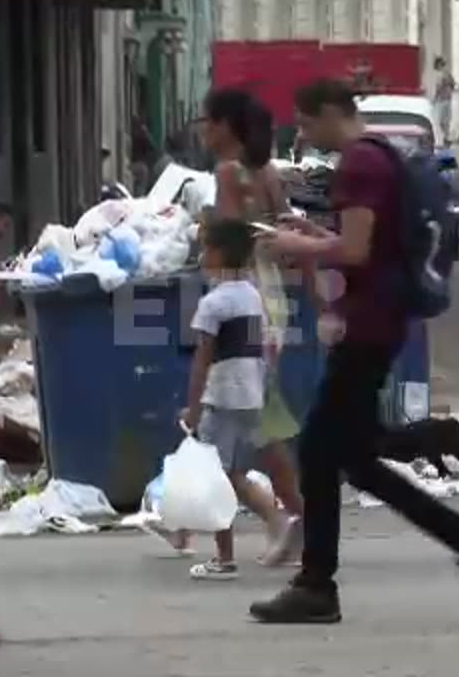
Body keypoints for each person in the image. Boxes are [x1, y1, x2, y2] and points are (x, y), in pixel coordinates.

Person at [249, 79, 459, 625]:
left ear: (328, 113)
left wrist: (302, 245)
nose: (302, 135)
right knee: (352, 459)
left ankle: (318, 585)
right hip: (379, 321)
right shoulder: (380, 159)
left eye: (304, 123)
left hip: (369, 325)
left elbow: (354, 249)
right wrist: (315, 228)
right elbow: (364, 240)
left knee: (321, 451)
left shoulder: (359, 165)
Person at [181, 87, 306, 567]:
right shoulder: (268, 172)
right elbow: (280, 228)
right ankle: (291, 516)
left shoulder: (228, 173)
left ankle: (290, 517)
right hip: (269, 298)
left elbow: (232, 238)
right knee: (262, 415)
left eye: (207, 121)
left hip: (239, 298)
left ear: (226, 126)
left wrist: (202, 227)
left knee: (260, 419)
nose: (202, 130)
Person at [177, 218, 288, 580]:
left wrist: (193, 406)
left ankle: (224, 558)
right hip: (249, 396)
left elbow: (202, 360)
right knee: (233, 473)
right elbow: (259, 351)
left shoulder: (213, 303)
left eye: (206, 247)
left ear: (220, 253)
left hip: (222, 397)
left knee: (215, 478)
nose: (201, 254)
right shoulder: (251, 295)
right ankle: (276, 521)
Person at [433, 57, 457, 144]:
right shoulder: (448, 73)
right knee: (446, 120)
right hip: (448, 99)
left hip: (442, 99)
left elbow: (438, 88)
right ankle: (446, 137)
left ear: (438, 64)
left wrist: (435, 99)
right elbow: (454, 84)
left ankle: (446, 137)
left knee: (441, 121)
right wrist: (449, 91)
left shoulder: (440, 75)